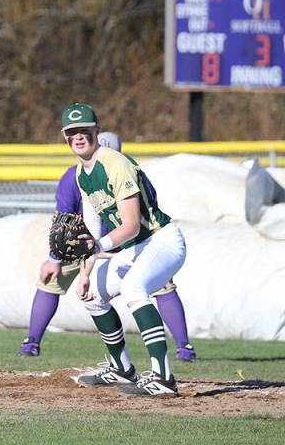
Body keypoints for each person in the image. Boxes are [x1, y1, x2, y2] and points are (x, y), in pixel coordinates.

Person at [18, 130, 196, 362]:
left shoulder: (123, 169)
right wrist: (55, 258)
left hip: (130, 242)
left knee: (156, 286)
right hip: (90, 244)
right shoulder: (77, 175)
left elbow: (143, 214)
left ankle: (182, 348)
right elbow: (65, 218)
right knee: (54, 281)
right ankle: (33, 341)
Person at [57, 103, 187, 396]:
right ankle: (121, 369)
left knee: (134, 289)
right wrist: (86, 272)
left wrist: (98, 246)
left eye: (84, 131)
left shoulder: (115, 163)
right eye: (71, 132)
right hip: (135, 247)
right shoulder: (81, 174)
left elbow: (130, 226)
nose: (78, 136)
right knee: (93, 296)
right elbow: (91, 229)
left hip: (161, 240)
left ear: (96, 131)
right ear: (65, 137)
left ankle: (163, 378)